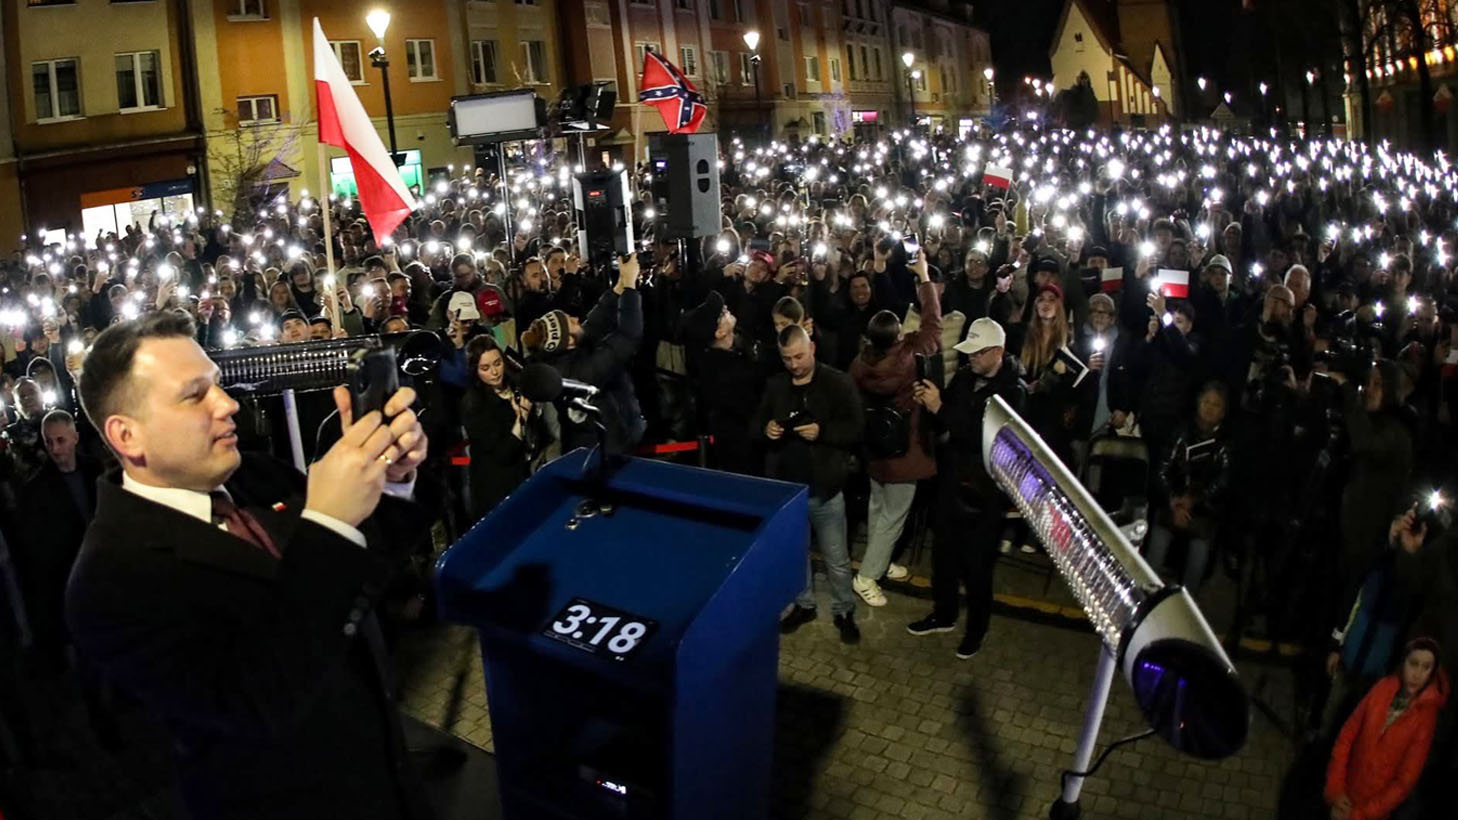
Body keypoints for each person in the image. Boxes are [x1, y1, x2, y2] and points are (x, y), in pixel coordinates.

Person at [64, 311, 436, 820]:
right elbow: (257, 701)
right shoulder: (110, 579)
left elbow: (355, 577)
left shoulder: (256, 477)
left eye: (217, 384)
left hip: (384, 781)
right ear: (128, 436)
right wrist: (328, 523)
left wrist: (387, 482)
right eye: (195, 395)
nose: (229, 404)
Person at [907, 317, 1026, 659]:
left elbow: (991, 439)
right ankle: (943, 614)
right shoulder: (963, 377)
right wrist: (930, 402)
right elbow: (947, 419)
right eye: (968, 351)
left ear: (998, 352)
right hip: (951, 482)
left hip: (985, 493)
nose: (970, 357)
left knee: (977, 568)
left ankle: (976, 630)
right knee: (943, 557)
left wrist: (941, 408)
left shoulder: (1012, 392)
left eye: (977, 352)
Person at [756, 324, 864, 644]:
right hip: (788, 491)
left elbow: (857, 429)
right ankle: (805, 605)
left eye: (800, 356)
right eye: (787, 358)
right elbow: (755, 422)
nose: (795, 365)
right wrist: (767, 429)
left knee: (836, 557)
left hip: (825, 488)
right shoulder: (775, 385)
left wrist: (823, 433)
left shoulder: (838, 383)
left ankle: (844, 610)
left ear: (813, 348)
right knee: (796, 553)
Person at [849, 251, 940, 605]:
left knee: (877, 508)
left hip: (876, 445)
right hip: (906, 448)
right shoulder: (906, 359)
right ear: (897, 336)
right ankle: (868, 576)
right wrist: (925, 278)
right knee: (893, 516)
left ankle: (881, 562)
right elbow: (933, 325)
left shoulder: (859, 363)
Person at [521, 254, 645, 454]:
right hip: (603, 452)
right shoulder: (581, 373)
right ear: (568, 342)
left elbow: (594, 322)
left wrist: (619, 288)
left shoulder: (559, 357)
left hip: (594, 446)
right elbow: (628, 336)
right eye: (571, 321)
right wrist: (630, 287)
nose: (576, 318)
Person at [1326, 638, 1448, 820]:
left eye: (1426, 667)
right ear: (1403, 661)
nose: (1418, 674)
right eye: (1413, 664)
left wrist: (1361, 814)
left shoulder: (1425, 718)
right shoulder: (1382, 689)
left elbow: (1404, 782)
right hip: (1346, 793)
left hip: (1371, 811)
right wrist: (1336, 788)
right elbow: (1347, 736)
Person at [1143, 382, 1230, 592]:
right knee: (1159, 537)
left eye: (1216, 405)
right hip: (1172, 503)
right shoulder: (1180, 432)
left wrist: (1193, 502)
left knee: (1200, 548)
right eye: (1206, 402)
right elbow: (1162, 470)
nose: (1209, 408)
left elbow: (1222, 483)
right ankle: (1148, 592)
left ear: (1223, 411)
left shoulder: (1225, 443)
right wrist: (1174, 501)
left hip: (1201, 510)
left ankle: (1188, 598)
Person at [460, 335, 533, 520]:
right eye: (485, 368)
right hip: (495, 487)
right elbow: (503, 453)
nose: (494, 372)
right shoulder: (474, 405)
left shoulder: (515, 383)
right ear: (475, 370)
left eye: (497, 363)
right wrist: (522, 417)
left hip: (523, 474)